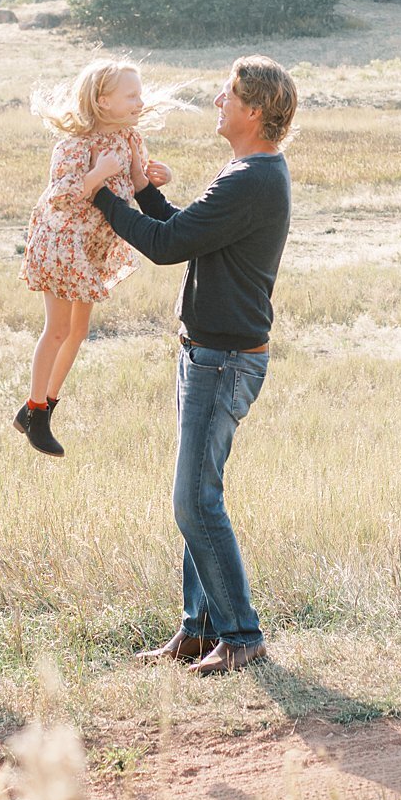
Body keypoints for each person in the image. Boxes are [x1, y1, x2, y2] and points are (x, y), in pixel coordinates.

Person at [89, 56, 297, 676]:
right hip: (211, 353)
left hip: (223, 360)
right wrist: (144, 190)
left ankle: (241, 634)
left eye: (227, 94)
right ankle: (198, 630)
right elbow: (186, 230)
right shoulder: (249, 172)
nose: (217, 101)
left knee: (194, 502)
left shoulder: (251, 179)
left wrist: (101, 194)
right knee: (199, 495)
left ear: (254, 110)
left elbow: (167, 246)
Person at [14, 59, 173, 455]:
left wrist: (155, 179)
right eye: (131, 95)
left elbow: (137, 184)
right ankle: (34, 410)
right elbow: (62, 195)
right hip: (62, 242)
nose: (140, 101)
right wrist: (98, 173)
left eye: (140, 94)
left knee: (79, 332)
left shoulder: (130, 139)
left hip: (93, 247)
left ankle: (43, 408)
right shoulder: (74, 143)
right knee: (57, 329)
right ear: (103, 101)